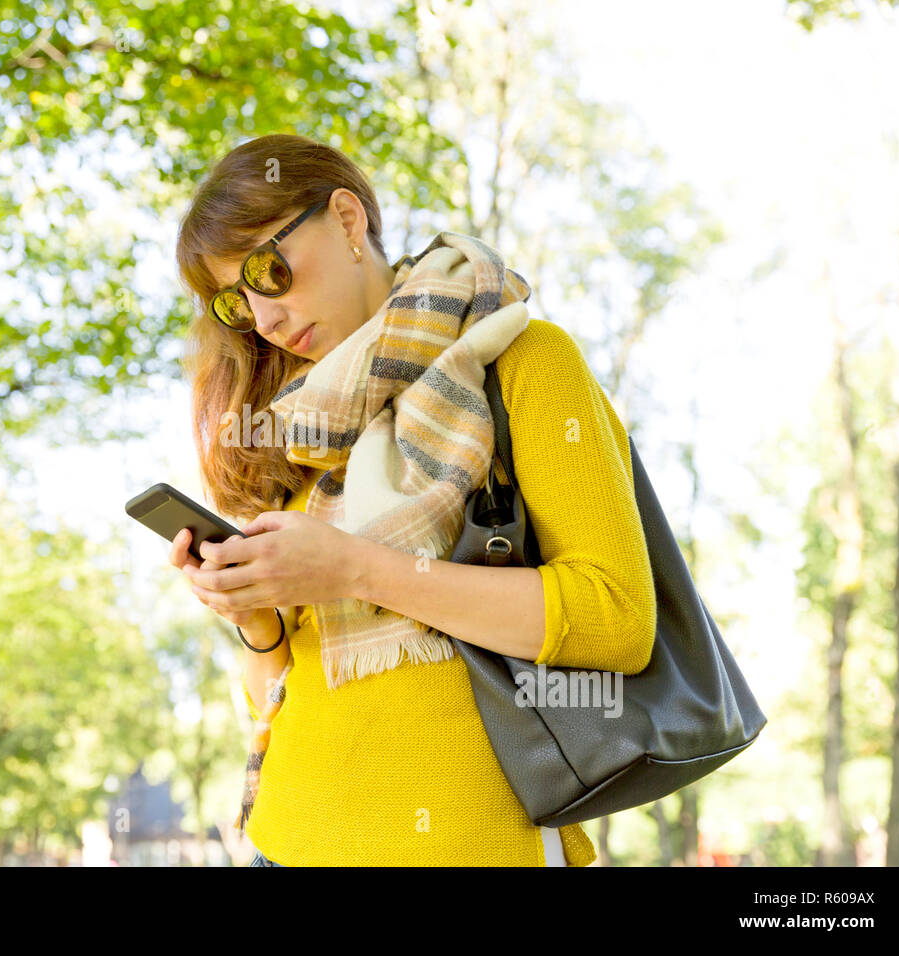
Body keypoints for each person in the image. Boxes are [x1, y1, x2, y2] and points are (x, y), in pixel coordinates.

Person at [166, 133, 656, 866]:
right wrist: (256, 618)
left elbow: (615, 620)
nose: (264, 319)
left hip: (476, 844)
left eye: (268, 272)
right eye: (236, 305)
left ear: (348, 219)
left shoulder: (524, 363)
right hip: (287, 842)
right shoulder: (301, 433)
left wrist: (356, 570)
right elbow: (277, 698)